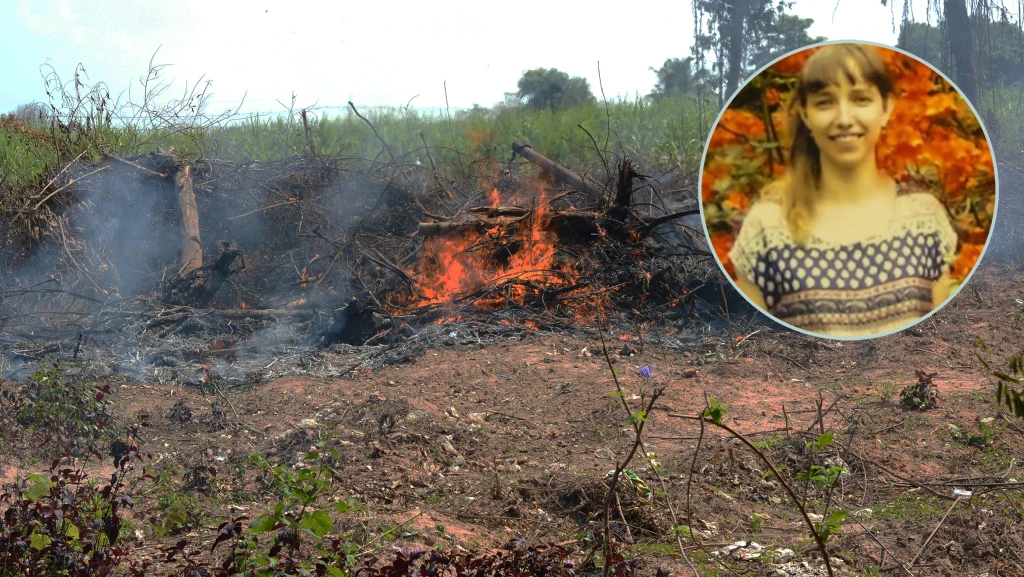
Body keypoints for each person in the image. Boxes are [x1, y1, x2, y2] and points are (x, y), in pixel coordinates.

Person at [727, 44, 959, 338]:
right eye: (825, 102)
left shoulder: (924, 217)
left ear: (886, 108)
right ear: (806, 114)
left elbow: (934, 339)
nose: (845, 118)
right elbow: (758, 342)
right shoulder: (766, 228)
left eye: (861, 99)